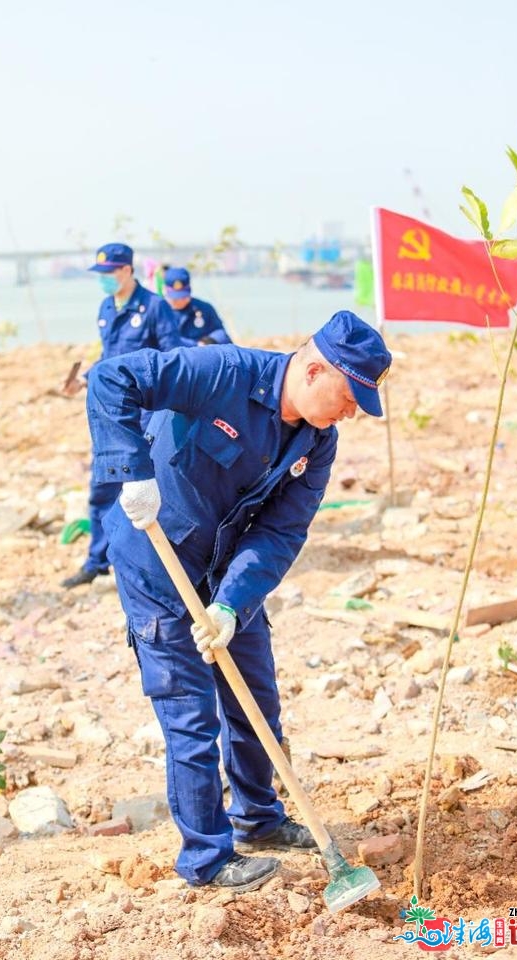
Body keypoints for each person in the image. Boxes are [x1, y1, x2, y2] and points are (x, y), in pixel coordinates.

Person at [86, 310, 392, 891]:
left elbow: (280, 533)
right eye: (350, 396)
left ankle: (258, 818)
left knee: (255, 693)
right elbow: (112, 379)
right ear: (313, 368)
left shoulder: (317, 444)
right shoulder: (221, 371)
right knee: (190, 712)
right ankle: (206, 858)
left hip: (225, 567)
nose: (351, 412)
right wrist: (130, 472)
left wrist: (231, 605)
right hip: (158, 554)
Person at [61, 242, 182, 589]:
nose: (105, 280)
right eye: (100, 274)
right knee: (102, 489)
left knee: (149, 490)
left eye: (110, 272)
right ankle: (97, 562)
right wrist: (84, 378)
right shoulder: (105, 306)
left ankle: (153, 568)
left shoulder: (156, 308)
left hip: (145, 415)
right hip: (110, 414)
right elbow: (109, 356)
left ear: (128, 270)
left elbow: (174, 359)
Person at [163, 266, 232, 345]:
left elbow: (221, 333)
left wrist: (209, 341)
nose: (180, 301)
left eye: (184, 297)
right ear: (166, 291)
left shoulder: (204, 308)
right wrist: (194, 345)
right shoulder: (158, 312)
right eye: (176, 298)